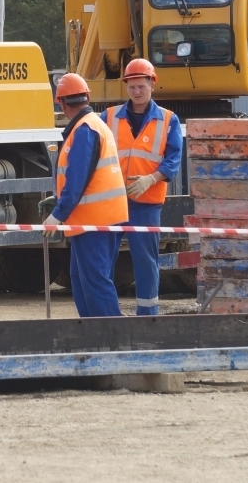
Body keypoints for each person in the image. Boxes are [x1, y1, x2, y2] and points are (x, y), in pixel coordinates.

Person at [44, 73, 129, 317]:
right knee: (82, 279)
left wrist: (58, 214)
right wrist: (59, 202)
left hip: (95, 221)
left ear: (60, 103)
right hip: (99, 219)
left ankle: (111, 339)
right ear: (87, 97)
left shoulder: (84, 130)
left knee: (94, 281)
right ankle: (93, 334)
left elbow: (78, 178)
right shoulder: (94, 125)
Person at [103, 59, 183, 315]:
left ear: (152, 84)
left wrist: (151, 179)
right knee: (105, 260)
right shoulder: (109, 117)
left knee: (146, 262)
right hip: (113, 202)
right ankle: (108, 314)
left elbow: (174, 158)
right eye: (132, 87)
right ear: (126, 86)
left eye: (141, 86)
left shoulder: (168, 120)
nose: (137, 92)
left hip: (146, 204)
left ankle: (147, 317)